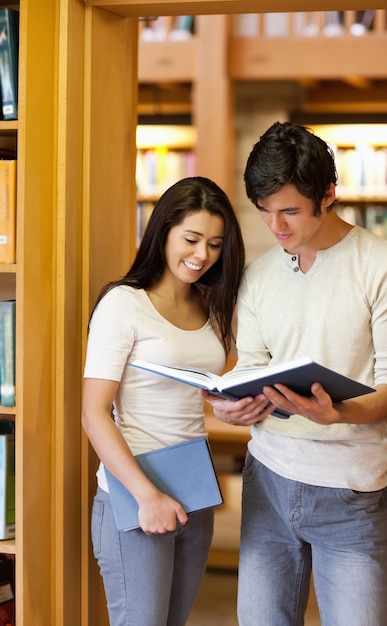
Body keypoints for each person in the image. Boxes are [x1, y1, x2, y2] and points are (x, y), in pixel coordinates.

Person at [200, 122, 387, 626]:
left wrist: (336, 413)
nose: (276, 227)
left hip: (351, 491)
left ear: (328, 195)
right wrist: (234, 405)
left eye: (290, 210)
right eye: (265, 211)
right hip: (267, 481)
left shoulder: (385, 265)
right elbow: (250, 367)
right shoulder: (259, 276)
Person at [82, 176, 245, 626]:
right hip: (136, 491)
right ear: (163, 231)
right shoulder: (123, 304)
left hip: (194, 486)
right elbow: (94, 413)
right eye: (191, 239)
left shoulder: (211, 306)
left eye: (215, 244)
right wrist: (146, 495)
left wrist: (231, 401)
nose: (202, 255)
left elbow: (195, 394)